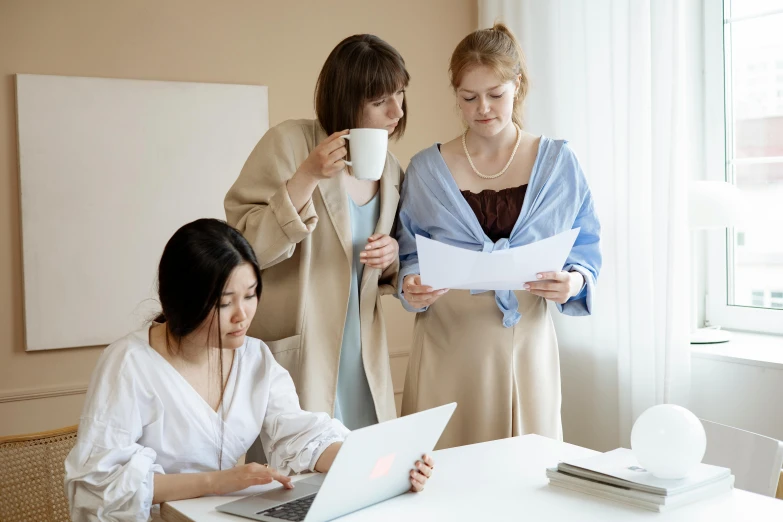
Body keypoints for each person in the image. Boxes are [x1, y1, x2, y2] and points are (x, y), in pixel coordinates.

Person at [64, 219, 434, 521]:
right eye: (225, 303)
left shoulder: (254, 358)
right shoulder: (129, 363)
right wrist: (217, 482)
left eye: (251, 294)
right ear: (185, 299)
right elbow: (100, 482)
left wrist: (385, 466)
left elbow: (301, 436)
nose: (243, 316)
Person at [396, 24, 602, 449]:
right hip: (446, 350)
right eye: (468, 98)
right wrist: (409, 282)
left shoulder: (559, 164)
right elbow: (408, 248)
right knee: (442, 485)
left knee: (528, 484)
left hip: (529, 350)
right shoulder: (425, 169)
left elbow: (585, 245)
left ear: (517, 86)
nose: (482, 108)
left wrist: (575, 281)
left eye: (495, 95)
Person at [224, 35, 408, 443]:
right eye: (381, 101)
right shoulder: (288, 143)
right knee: (300, 482)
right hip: (305, 353)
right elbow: (242, 247)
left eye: (400, 94)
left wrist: (392, 255)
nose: (397, 111)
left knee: (366, 470)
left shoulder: (392, 170)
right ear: (347, 99)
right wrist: (306, 176)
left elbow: (384, 266)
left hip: (363, 355)